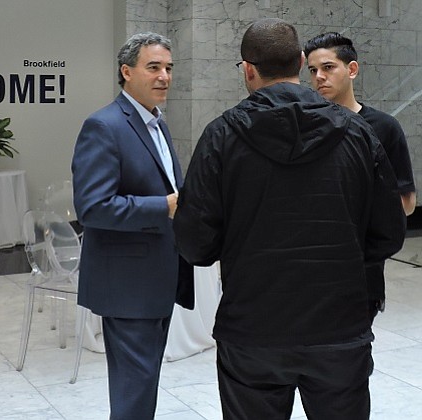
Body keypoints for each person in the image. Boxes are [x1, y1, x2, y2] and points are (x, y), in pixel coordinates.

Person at [173, 18, 406, 420]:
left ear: (247, 69)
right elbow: (388, 234)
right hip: (338, 328)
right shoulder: (357, 132)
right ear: (300, 62)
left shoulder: (221, 137)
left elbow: (196, 244)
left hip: (252, 330)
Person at [71, 32, 194, 419]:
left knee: (142, 388)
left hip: (157, 277)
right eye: (153, 67)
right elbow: (93, 208)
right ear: (126, 71)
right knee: (134, 394)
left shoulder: (156, 123)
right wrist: (165, 206)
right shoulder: (104, 126)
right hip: (127, 286)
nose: (165, 77)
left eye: (169, 68)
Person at [304, 32, 417, 322]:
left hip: (361, 272)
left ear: (351, 69)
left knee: (352, 358)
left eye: (328, 67)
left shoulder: (384, 128)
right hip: (307, 271)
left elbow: (406, 203)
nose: (319, 77)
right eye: (313, 70)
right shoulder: (303, 126)